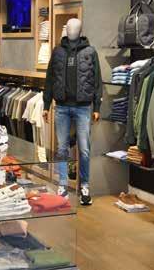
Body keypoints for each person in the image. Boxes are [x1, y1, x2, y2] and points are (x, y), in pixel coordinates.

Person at [42, 18, 102, 206]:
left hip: (83, 107)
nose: (72, 30)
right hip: (61, 106)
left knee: (84, 149)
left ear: (80, 30)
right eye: (69, 27)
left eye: (75, 27)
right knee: (62, 148)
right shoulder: (57, 52)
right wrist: (46, 104)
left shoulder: (90, 52)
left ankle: (84, 186)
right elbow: (50, 79)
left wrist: (97, 107)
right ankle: (62, 185)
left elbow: (97, 81)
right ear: (65, 29)